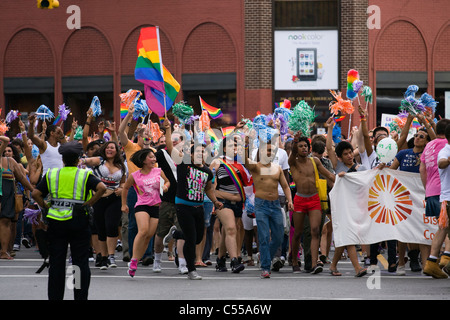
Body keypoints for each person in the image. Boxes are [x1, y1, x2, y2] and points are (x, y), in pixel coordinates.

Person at [32, 141, 106, 300]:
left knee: (57, 263)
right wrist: (89, 204)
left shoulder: (52, 173)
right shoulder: (85, 174)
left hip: (56, 222)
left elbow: (35, 194)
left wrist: (45, 206)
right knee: (79, 263)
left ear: (63, 159)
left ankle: (55, 297)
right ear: (78, 158)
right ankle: (78, 296)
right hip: (79, 220)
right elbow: (102, 188)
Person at [167, 124, 223, 280]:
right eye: (197, 151)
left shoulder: (206, 171)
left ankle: (175, 234)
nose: (200, 153)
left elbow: (208, 189)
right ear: (190, 156)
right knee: (191, 239)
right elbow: (170, 147)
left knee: (198, 238)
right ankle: (191, 270)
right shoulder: (184, 165)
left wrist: (216, 201)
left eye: (202, 152)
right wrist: (168, 130)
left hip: (199, 207)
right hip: (183, 206)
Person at [389, 113, 432, 274]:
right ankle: (401, 263)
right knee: (402, 230)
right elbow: (391, 171)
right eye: (416, 136)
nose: (417, 138)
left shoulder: (429, 155)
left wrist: (426, 122)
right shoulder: (403, 153)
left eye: (421, 136)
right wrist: (380, 170)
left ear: (427, 141)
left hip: (422, 197)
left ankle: (426, 263)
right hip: (404, 198)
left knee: (423, 227)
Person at [244, 137, 294, 278]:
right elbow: (245, 160)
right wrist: (246, 145)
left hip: (275, 205)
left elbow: (285, 186)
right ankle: (266, 267)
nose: (270, 153)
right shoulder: (256, 166)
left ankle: (265, 257)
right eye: (267, 150)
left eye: (272, 150)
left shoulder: (277, 168)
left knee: (278, 237)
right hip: (261, 205)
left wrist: (290, 200)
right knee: (264, 237)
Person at [324, 117, 368, 277]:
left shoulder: (361, 167)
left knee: (344, 236)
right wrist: (329, 129)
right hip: (341, 206)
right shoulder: (338, 166)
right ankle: (358, 268)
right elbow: (329, 148)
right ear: (340, 157)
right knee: (349, 236)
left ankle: (333, 265)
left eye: (351, 152)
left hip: (357, 207)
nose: (350, 155)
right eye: (346, 154)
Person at [288, 134, 335, 274]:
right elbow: (291, 156)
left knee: (315, 230)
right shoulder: (294, 162)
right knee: (298, 233)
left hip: (314, 199)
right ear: (296, 148)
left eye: (305, 146)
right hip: (300, 200)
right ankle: (295, 261)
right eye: (300, 146)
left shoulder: (315, 161)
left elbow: (329, 175)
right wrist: (294, 142)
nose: (303, 148)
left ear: (309, 148)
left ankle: (314, 263)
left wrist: (342, 178)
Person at [122, 148, 170, 277]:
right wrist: (123, 204)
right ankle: (133, 259)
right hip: (141, 205)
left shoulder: (158, 171)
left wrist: (165, 186)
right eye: (151, 157)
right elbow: (125, 188)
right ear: (143, 160)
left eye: (154, 157)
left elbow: (167, 181)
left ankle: (136, 260)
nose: (154, 159)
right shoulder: (135, 175)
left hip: (155, 206)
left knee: (149, 236)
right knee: (143, 231)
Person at [82, 141, 127, 269]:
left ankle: (111, 256)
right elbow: (88, 161)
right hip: (99, 198)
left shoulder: (121, 165)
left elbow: (123, 183)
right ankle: (103, 257)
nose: (109, 149)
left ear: (116, 151)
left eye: (112, 148)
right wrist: (81, 161)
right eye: (107, 147)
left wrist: (121, 189)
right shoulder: (100, 161)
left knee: (111, 225)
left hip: (114, 198)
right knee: (100, 228)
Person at [118, 104, 154, 264]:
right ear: (138, 137)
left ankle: (147, 254)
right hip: (134, 189)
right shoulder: (131, 147)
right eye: (143, 135)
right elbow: (120, 132)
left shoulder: (152, 153)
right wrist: (129, 115)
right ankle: (135, 253)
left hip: (150, 192)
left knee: (150, 224)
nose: (146, 137)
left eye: (149, 136)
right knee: (133, 223)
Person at [210, 133, 248, 273]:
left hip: (237, 204)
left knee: (228, 230)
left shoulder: (242, 165)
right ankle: (234, 261)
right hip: (222, 202)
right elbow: (211, 188)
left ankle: (220, 260)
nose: (235, 147)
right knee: (231, 228)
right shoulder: (217, 163)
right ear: (224, 149)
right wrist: (229, 196)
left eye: (237, 145)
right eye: (232, 145)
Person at [423, 121, 450, 278]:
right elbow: (441, 162)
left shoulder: (434, 145)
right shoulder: (444, 149)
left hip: (443, 196)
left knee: (443, 229)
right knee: (444, 229)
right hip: (447, 198)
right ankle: (446, 259)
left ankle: (432, 262)